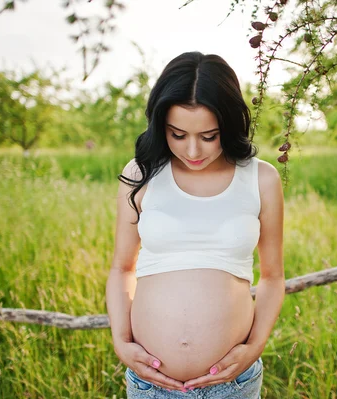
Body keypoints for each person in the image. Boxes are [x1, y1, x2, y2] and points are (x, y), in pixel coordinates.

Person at [106, 51, 285, 399]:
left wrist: (255, 347)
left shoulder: (261, 179)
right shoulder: (140, 174)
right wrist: (121, 342)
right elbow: (121, 268)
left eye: (208, 136)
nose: (192, 150)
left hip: (232, 384)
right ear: (161, 126)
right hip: (151, 383)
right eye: (177, 134)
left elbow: (273, 277)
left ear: (230, 125)